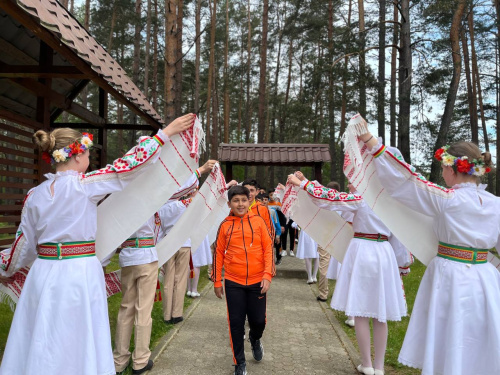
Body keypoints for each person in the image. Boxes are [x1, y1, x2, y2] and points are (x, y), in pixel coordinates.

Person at [0, 114, 194, 375]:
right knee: (80, 335)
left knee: (44, 334)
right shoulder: (85, 185)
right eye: (88, 154)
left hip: (43, 274)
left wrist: (5, 267)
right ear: (78, 155)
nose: (90, 160)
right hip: (79, 272)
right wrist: (165, 133)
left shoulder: (34, 196)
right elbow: (128, 166)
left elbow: (23, 248)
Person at [358, 127, 500, 374]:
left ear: (453, 168)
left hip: (451, 276)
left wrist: (373, 143)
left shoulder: (447, 199)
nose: (442, 173)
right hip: (486, 279)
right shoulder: (495, 204)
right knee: (478, 337)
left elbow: (406, 181)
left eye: (444, 168)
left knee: (450, 335)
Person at [288, 173, 407, 375]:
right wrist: (402, 265)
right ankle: (379, 366)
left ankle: (367, 363)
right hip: (384, 251)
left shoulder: (362, 199)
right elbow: (400, 236)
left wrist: (303, 183)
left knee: (360, 310)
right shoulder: (392, 202)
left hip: (362, 249)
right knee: (380, 314)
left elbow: (329, 198)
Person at [113, 161, 212, 374]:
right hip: (146, 256)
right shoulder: (150, 197)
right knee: (142, 309)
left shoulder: (120, 196)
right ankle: (140, 360)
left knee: (125, 308)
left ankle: (119, 360)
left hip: (127, 256)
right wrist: (201, 171)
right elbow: (182, 191)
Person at [212, 186, 274, 375]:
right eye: (236, 200)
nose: (240, 204)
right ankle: (239, 362)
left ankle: (255, 339)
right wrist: (217, 281)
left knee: (258, 321)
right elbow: (218, 253)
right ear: (230, 203)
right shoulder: (224, 225)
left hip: (257, 282)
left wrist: (267, 275)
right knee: (236, 323)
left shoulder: (258, 222)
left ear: (249, 201)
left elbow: (268, 249)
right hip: (233, 282)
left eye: (243, 200)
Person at [156, 161, 216, 325]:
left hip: (172, 243)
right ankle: (176, 313)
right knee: (179, 279)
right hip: (181, 244)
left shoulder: (165, 205)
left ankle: (169, 315)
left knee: (170, 279)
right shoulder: (186, 205)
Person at [316, 181, 341, 302]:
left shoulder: (323, 204)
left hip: (326, 237)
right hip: (339, 237)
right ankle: (340, 294)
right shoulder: (343, 202)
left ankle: (323, 293)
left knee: (324, 266)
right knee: (341, 266)